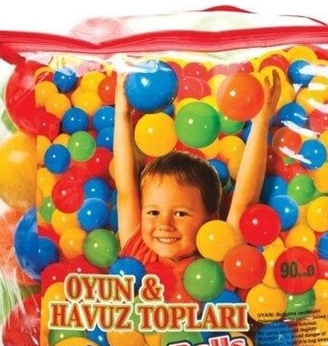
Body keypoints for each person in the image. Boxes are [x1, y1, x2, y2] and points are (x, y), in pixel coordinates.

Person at [113, 69, 281, 278]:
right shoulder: (138, 253)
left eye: (180, 213)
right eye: (153, 212)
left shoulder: (219, 258)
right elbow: (126, 191)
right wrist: (122, 114)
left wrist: (261, 123)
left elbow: (244, 202)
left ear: (211, 219)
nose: (164, 225)